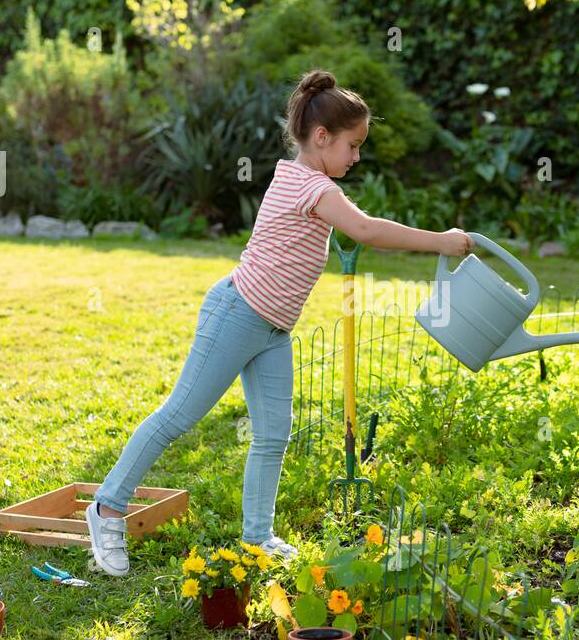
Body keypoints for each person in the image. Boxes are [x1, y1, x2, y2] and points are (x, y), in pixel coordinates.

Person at [86, 68, 474, 575]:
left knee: (272, 435)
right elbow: (364, 229)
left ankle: (258, 537)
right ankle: (108, 508)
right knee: (178, 417)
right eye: (352, 145)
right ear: (321, 138)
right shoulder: (306, 184)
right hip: (237, 313)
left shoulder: (309, 182)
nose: (356, 157)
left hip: (272, 330)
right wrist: (442, 240)